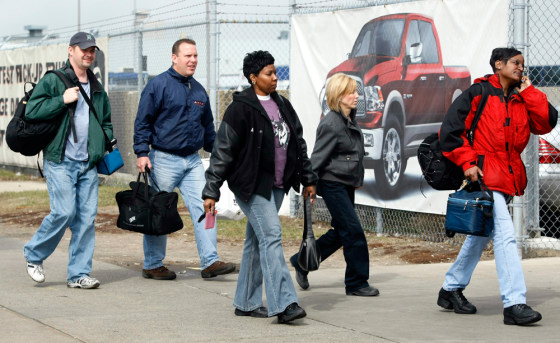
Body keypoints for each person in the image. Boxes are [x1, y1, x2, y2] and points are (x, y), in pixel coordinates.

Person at [437, 47, 558, 325]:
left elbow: (546, 122)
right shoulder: (478, 93)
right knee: (505, 235)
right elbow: (450, 132)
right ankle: (515, 303)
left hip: (508, 175)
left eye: (523, 64)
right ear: (498, 64)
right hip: (485, 174)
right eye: (515, 63)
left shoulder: (521, 97)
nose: (520, 68)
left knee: (480, 235)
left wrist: (528, 91)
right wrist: (467, 161)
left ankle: (450, 289)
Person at [202, 50, 317, 323]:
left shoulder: (282, 105)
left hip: (277, 185)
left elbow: (298, 144)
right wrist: (211, 190)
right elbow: (223, 151)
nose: (275, 77)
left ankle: (246, 302)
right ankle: (284, 303)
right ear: (253, 78)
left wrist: (308, 178)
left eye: (275, 72)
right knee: (272, 236)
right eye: (268, 73)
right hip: (251, 185)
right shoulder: (240, 108)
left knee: (256, 242)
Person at [134, 38, 235, 280]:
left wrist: (221, 154)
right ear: (174, 57)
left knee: (207, 207)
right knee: (159, 211)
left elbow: (208, 128)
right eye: (188, 56)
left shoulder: (199, 90)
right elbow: (143, 121)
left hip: (192, 161)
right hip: (164, 159)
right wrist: (141, 152)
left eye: (196, 56)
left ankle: (210, 262)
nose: (193, 60)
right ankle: (152, 264)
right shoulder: (157, 85)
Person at [23, 32, 114, 289]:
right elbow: (32, 110)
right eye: (84, 49)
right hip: (60, 159)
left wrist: (103, 143)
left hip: (88, 163)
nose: (89, 53)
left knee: (86, 219)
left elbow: (105, 121)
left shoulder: (96, 86)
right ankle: (34, 255)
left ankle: (78, 275)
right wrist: (61, 100)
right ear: (70, 51)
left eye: (92, 50)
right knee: (64, 212)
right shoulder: (55, 80)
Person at [290, 73, 379, 297]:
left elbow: (351, 155)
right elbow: (317, 158)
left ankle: (301, 262)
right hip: (331, 184)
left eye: (356, 91)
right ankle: (357, 282)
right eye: (351, 92)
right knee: (353, 231)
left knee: (342, 232)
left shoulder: (349, 119)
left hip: (345, 183)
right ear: (338, 96)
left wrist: (355, 180)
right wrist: (309, 184)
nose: (357, 96)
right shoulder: (331, 123)